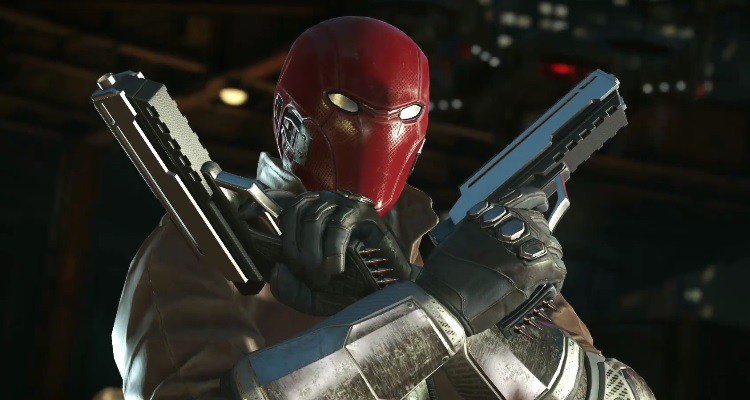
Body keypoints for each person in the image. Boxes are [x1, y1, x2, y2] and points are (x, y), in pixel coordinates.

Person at [112, 16, 654, 400]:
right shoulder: (201, 247)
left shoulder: (462, 251)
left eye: (407, 113)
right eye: (347, 105)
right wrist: (431, 314)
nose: (379, 131)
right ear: (288, 119)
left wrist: (446, 303)